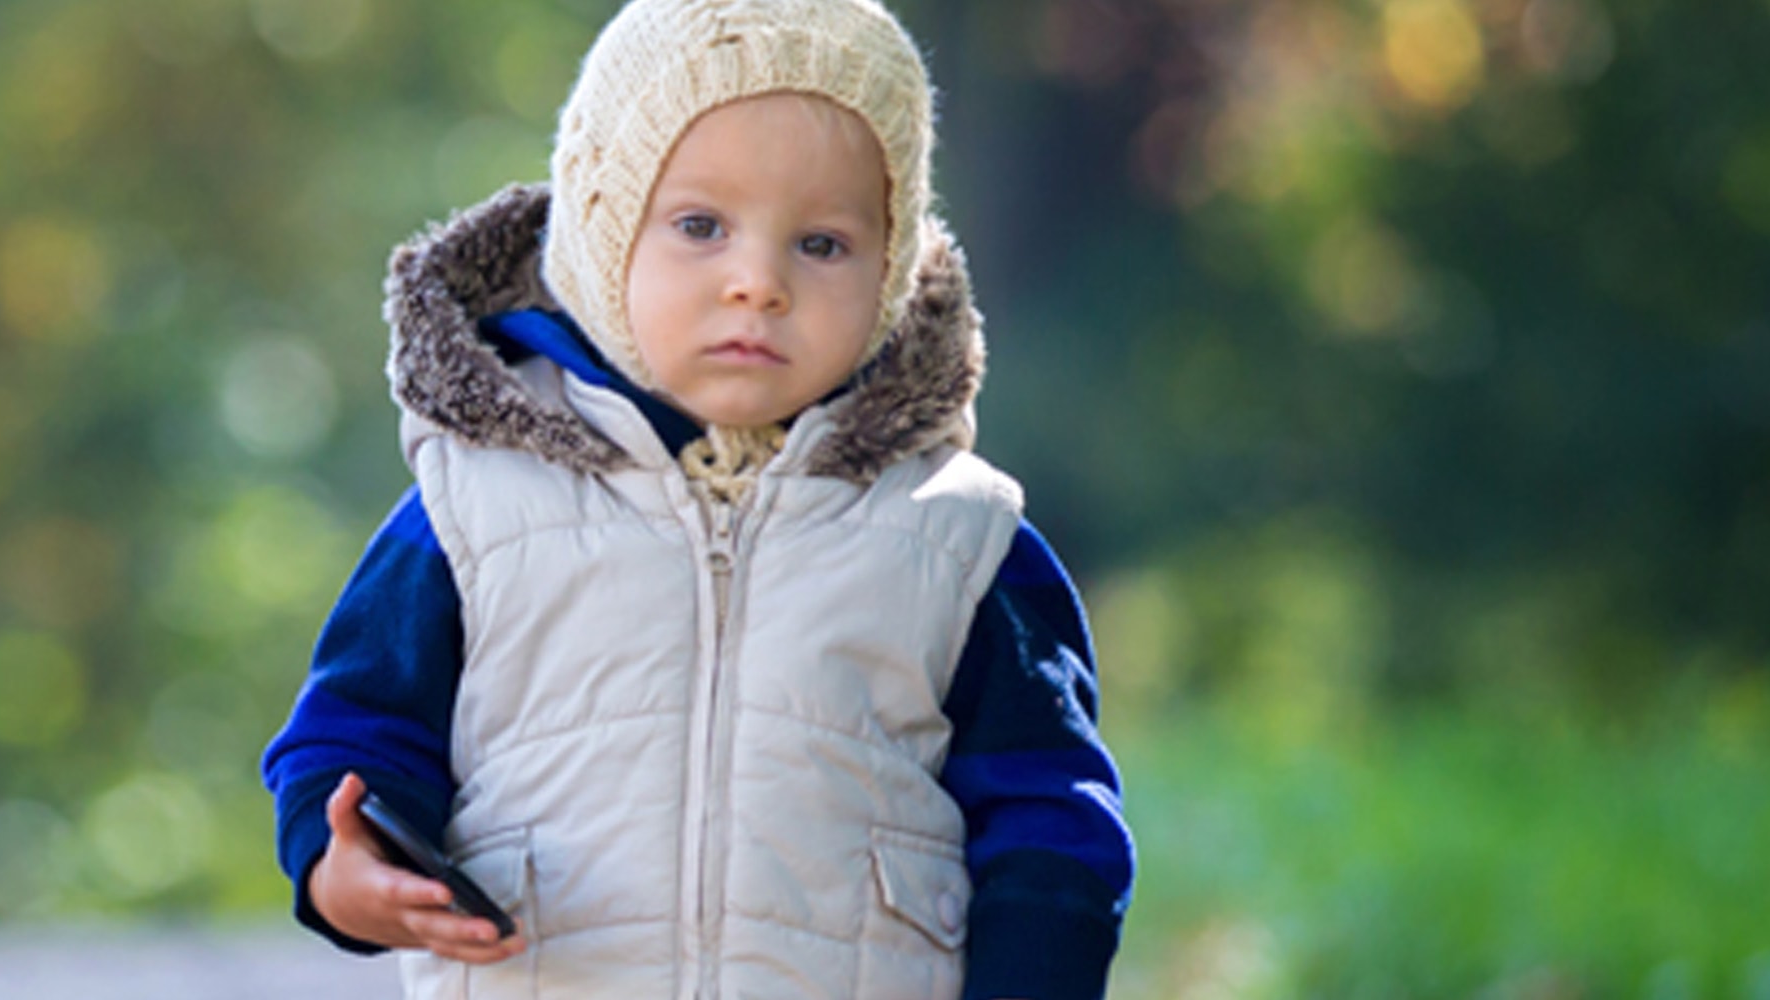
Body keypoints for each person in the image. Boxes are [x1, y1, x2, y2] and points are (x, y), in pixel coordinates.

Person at [257, 0, 1134, 996]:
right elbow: (356, 731)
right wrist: (343, 869)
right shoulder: (478, 507)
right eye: (700, 226)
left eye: (823, 244)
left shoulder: (957, 536)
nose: (757, 282)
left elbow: (1049, 819)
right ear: (601, 233)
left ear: (891, 271)